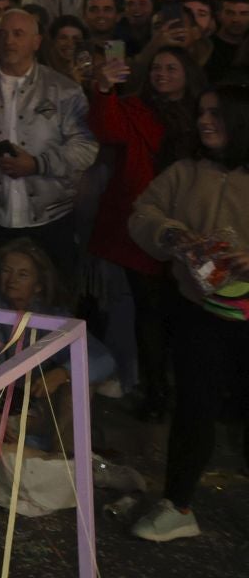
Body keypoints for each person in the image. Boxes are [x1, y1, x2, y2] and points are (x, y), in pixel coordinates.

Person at [127, 86, 249, 542]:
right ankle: (178, 504)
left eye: (216, 113)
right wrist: (172, 234)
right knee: (193, 409)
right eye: (201, 112)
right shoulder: (185, 172)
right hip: (199, 311)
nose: (204, 121)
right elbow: (143, 212)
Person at [88, 44, 203, 421]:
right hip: (144, 227)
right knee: (149, 315)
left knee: (189, 316)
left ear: (187, 72)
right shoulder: (135, 108)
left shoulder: (206, 112)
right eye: (156, 68)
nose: (162, 74)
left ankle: (193, 390)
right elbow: (107, 127)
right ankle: (156, 392)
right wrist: (104, 90)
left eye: (171, 67)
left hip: (196, 225)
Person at [0, 9, 97, 293]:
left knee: (56, 301)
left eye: (18, 34)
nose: (8, 41)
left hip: (51, 218)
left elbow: (85, 148)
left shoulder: (63, 90)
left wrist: (38, 164)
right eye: (2, 34)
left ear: (36, 42)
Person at [0, 239, 115, 458]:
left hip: (34, 409)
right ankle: (62, 464)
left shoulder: (51, 316)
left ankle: (66, 458)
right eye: (6, 271)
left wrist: (63, 373)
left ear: (38, 284)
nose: (12, 280)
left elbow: (102, 358)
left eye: (23, 274)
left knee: (80, 379)